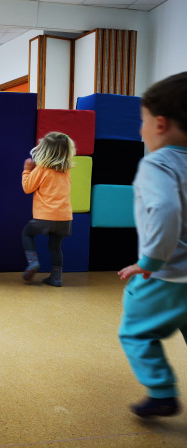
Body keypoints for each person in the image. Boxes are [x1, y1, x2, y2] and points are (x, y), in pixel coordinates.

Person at [118, 71, 187, 418]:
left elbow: (165, 208)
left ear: (160, 123)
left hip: (166, 274)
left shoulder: (157, 163)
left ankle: (161, 392)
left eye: (141, 121)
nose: (140, 130)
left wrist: (151, 260)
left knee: (135, 331)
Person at [21, 131, 75, 287]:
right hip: (65, 219)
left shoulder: (42, 169)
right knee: (55, 247)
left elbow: (27, 187)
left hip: (44, 217)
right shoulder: (66, 171)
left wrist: (27, 169)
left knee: (27, 234)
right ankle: (56, 278)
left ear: (44, 151)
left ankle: (33, 263)